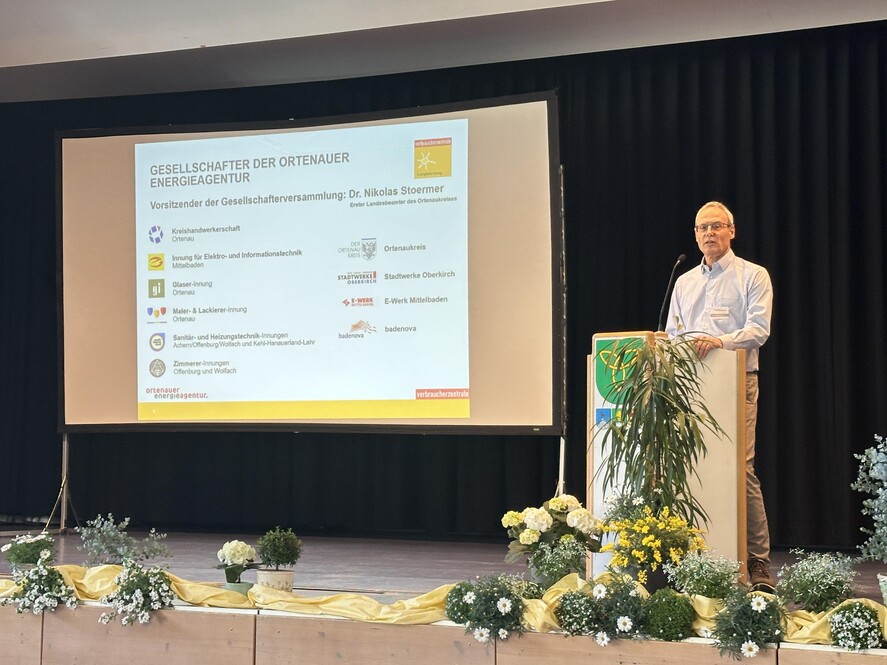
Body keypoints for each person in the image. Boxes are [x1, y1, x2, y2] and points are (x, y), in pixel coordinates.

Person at [665, 200, 774, 589]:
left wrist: (719, 341)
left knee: (741, 470)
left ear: (732, 231)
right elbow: (673, 335)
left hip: (737, 381)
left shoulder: (752, 275)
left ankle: (757, 561)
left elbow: (759, 329)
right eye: (702, 228)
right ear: (695, 236)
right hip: (691, 388)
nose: (709, 233)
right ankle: (696, 559)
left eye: (716, 226)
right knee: (693, 467)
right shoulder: (684, 282)